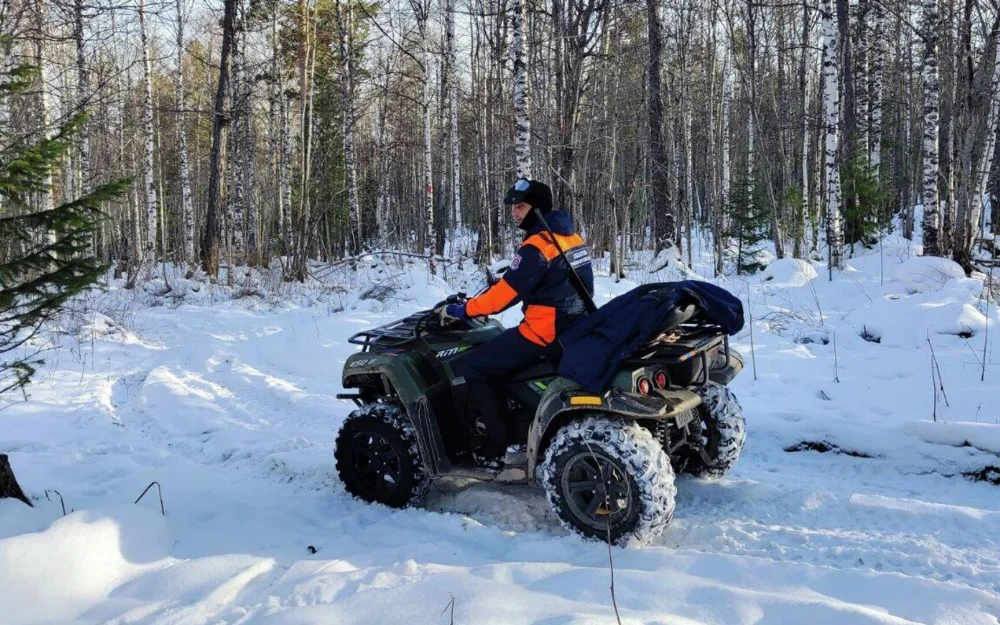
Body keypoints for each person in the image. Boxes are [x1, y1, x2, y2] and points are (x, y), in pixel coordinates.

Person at [440, 178, 594, 458]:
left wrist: (464, 310)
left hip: (543, 332)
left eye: (520, 207)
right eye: (513, 207)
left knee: (472, 365)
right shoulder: (571, 237)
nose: (514, 212)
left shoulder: (537, 246)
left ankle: (495, 443)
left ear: (537, 209)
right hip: (574, 325)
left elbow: (502, 299)